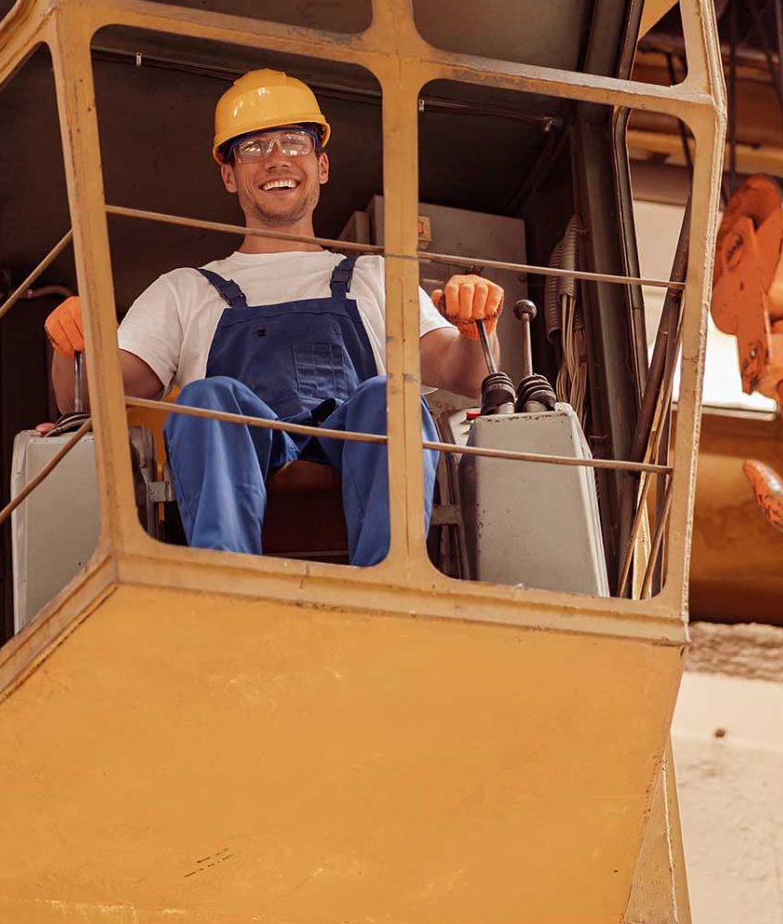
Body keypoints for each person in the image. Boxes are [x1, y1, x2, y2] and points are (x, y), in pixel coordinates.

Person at [44, 69, 503, 566]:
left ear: (321, 164)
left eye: (293, 141)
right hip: (241, 454)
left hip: (356, 449)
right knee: (208, 397)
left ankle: (395, 578)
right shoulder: (185, 290)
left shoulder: (377, 276)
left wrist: (474, 325)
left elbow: (468, 375)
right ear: (229, 174)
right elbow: (89, 397)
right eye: (254, 148)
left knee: (390, 396)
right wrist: (74, 343)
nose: (277, 159)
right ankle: (228, 580)